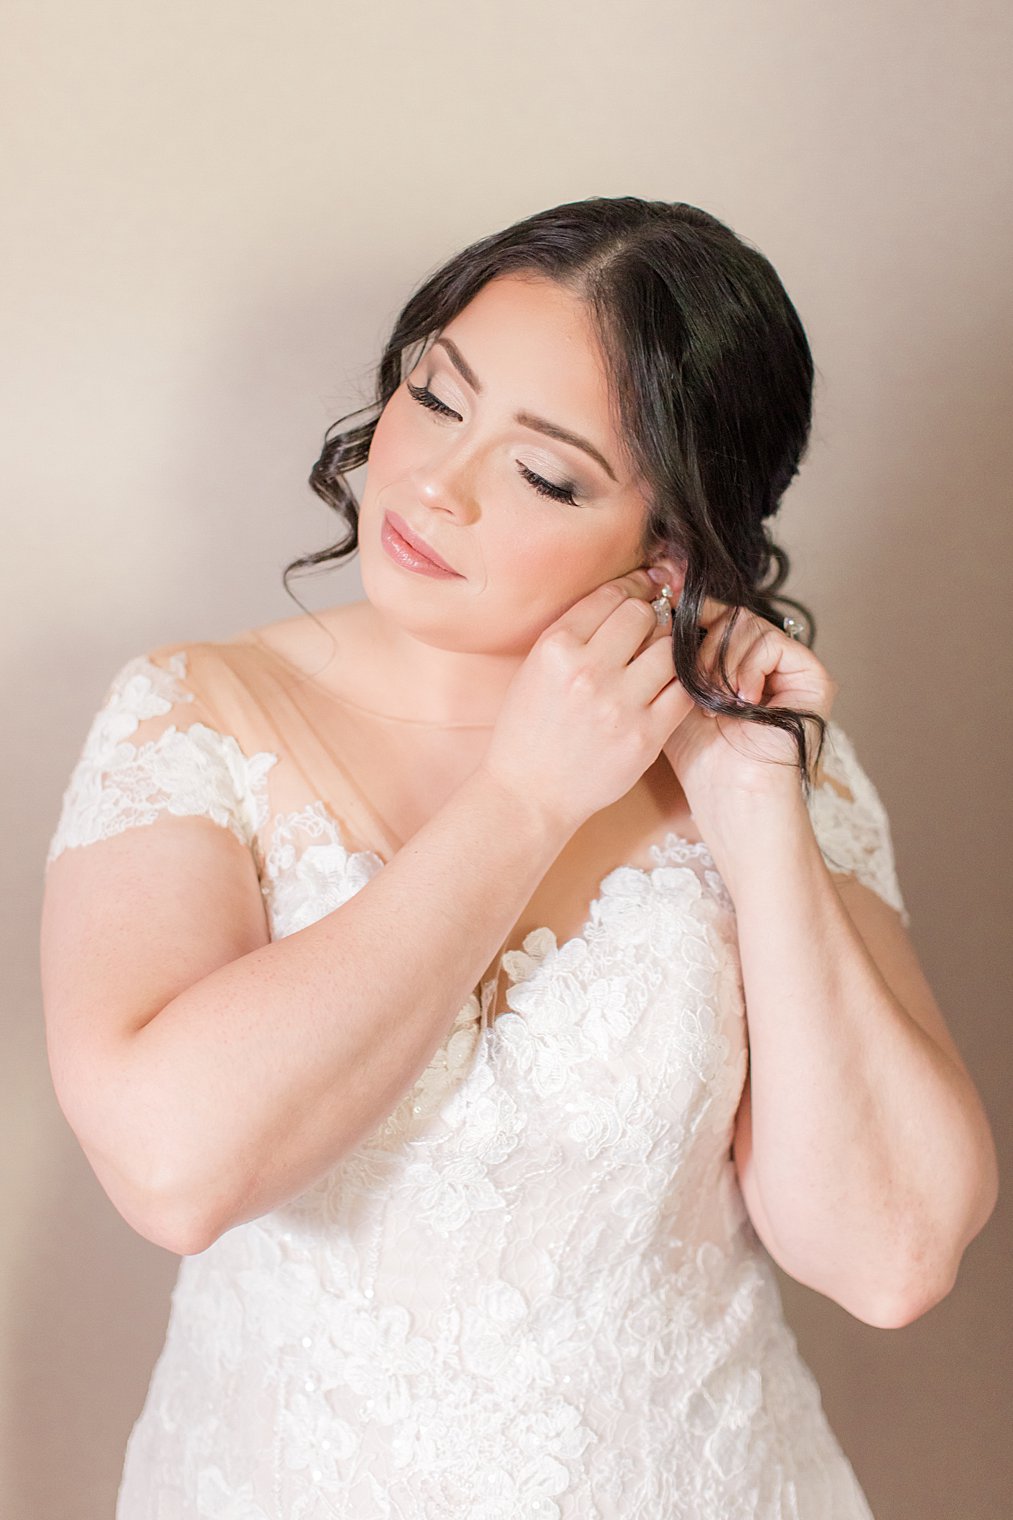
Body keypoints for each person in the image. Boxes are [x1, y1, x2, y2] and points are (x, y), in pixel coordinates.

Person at [40, 196, 997, 1519]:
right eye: (436, 395)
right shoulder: (193, 716)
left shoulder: (762, 764)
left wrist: (754, 815)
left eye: (545, 475)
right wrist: (523, 800)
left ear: (669, 550)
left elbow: (889, 1256)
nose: (433, 481)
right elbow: (175, 1169)